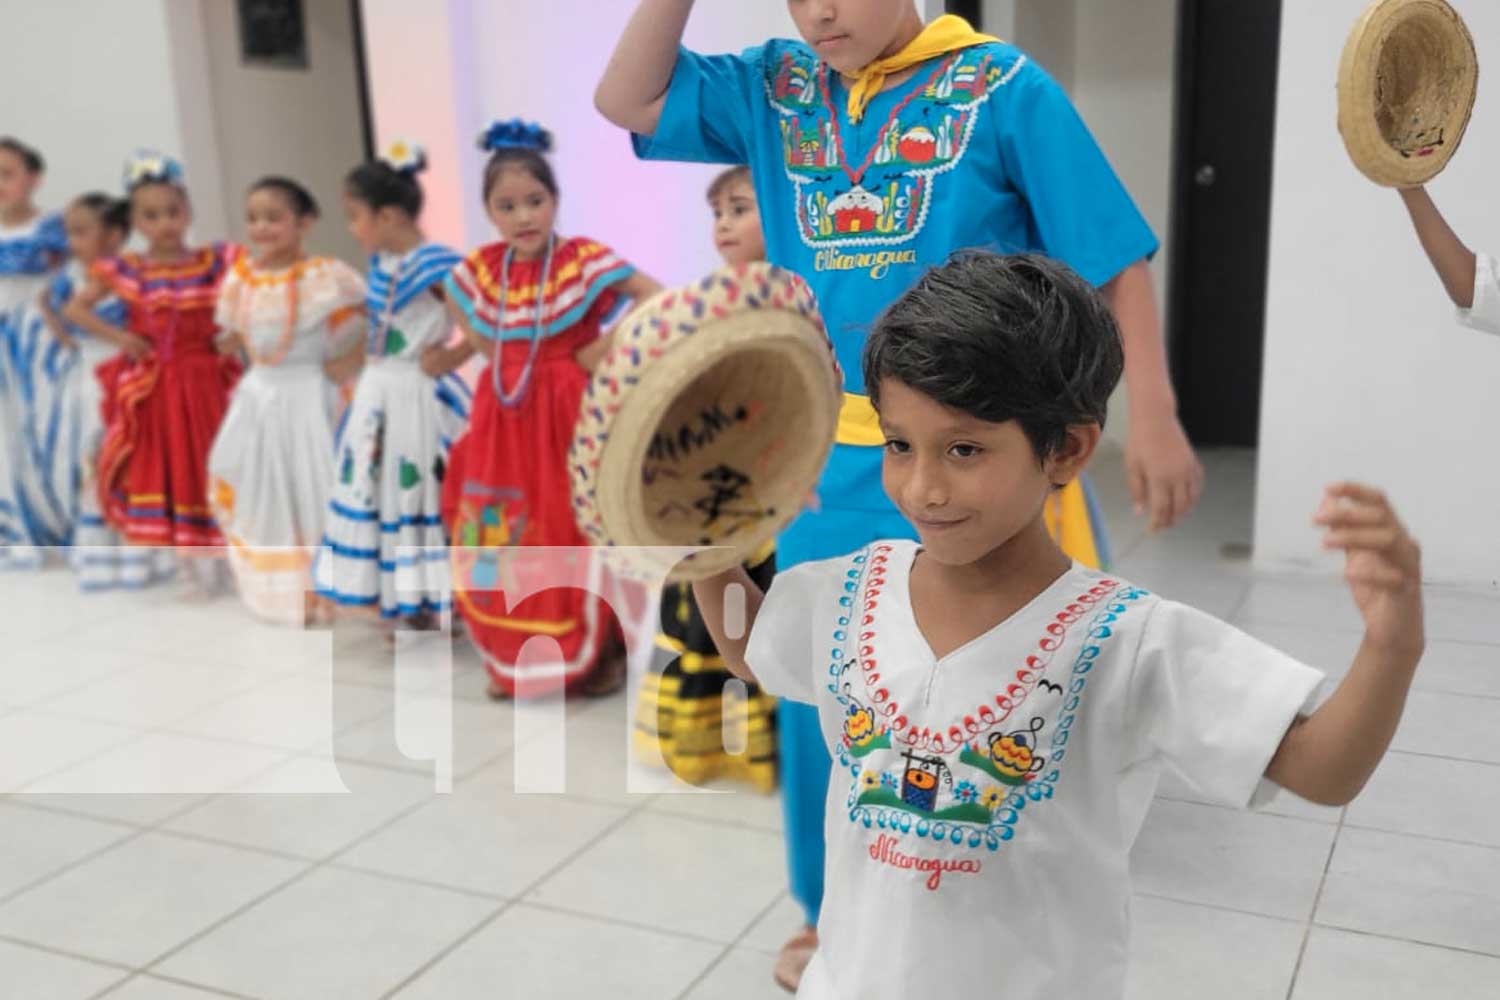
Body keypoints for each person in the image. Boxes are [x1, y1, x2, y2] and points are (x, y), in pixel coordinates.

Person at [689, 251, 1425, 999]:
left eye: (964, 449)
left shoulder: (1130, 641)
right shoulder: (852, 587)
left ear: (1067, 448)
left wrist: (1393, 644)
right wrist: (700, 548)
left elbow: (1321, 769)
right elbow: (753, 649)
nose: (923, 486)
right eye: (899, 444)